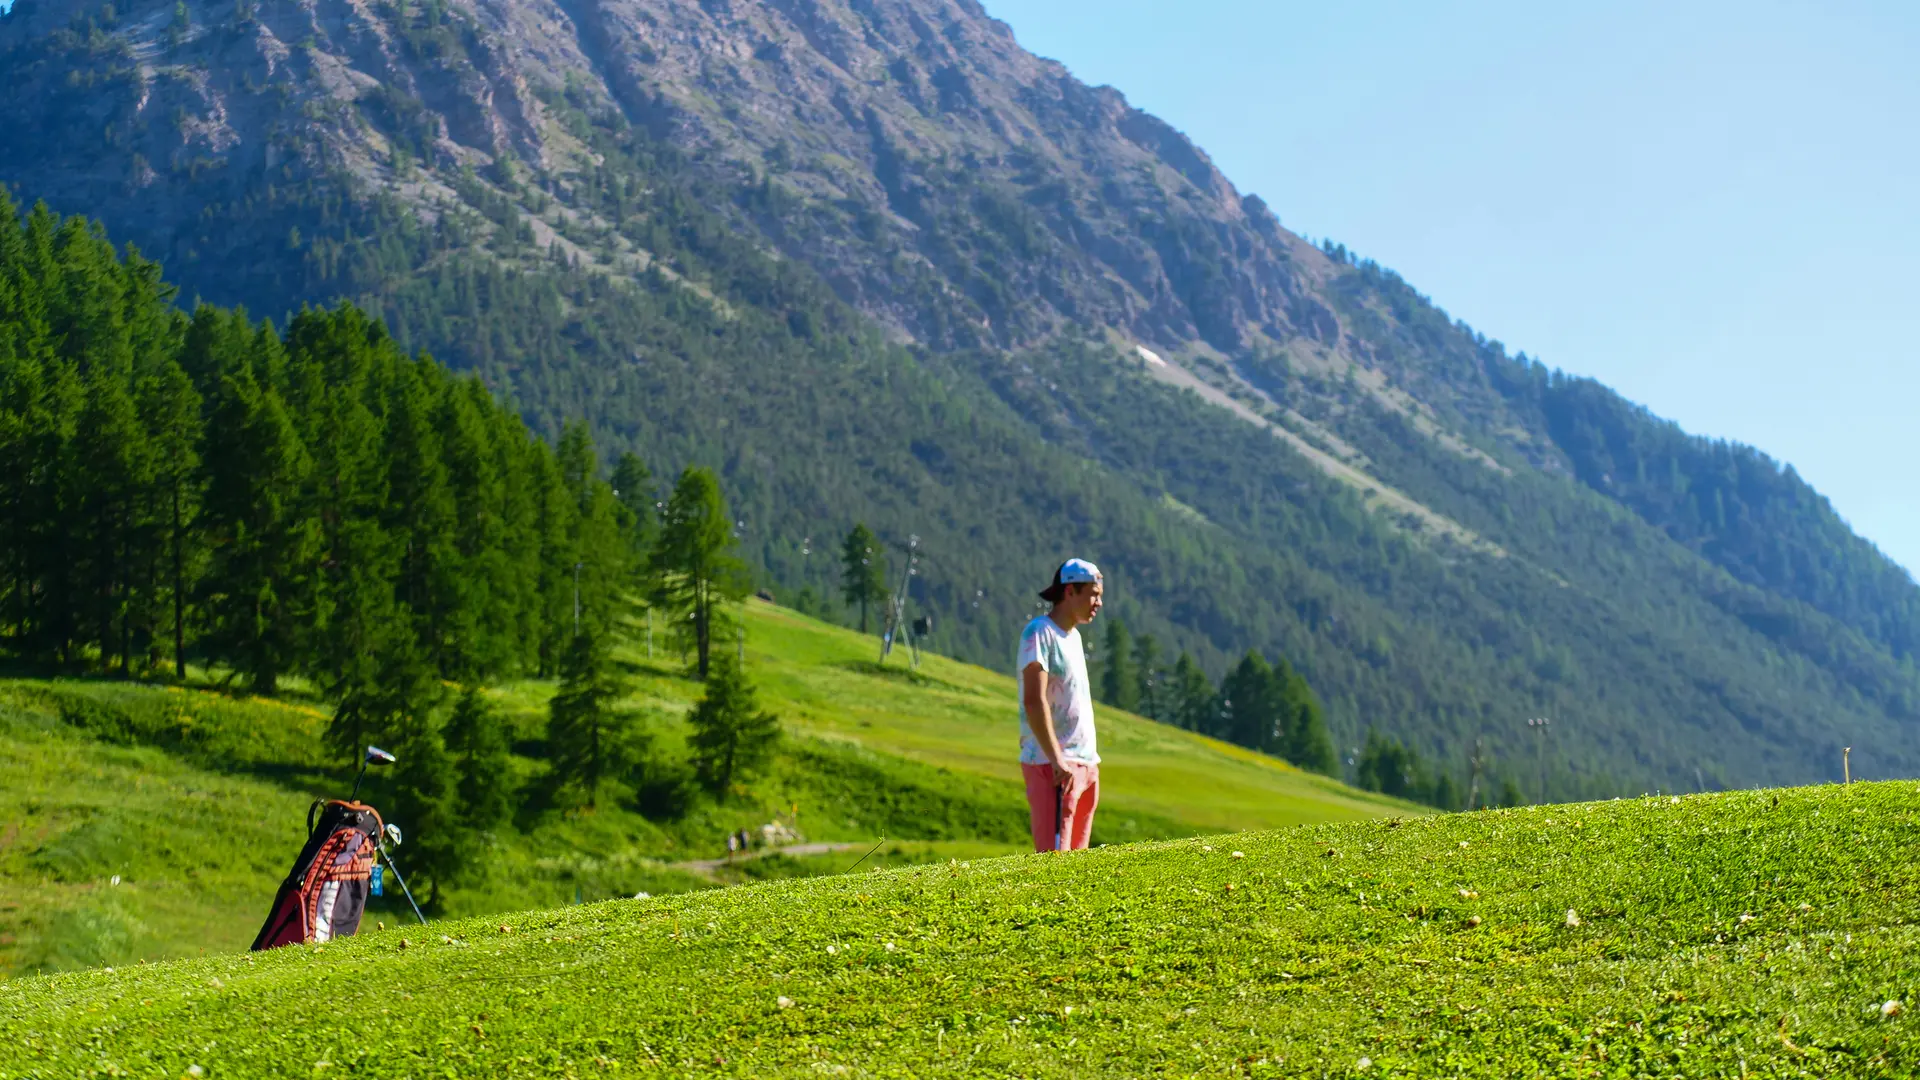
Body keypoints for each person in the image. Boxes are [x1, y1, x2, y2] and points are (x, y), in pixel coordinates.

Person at [1017, 558, 1104, 852]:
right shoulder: (1039, 633)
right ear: (1069, 592)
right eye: (1093, 593)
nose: (1098, 602)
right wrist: (1057, 760)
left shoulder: (1074, 637)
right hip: (1053, 766)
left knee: (1077, 863)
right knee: (1055, 861)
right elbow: (1033, 700)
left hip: (1085, 763)